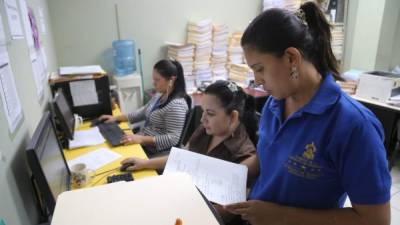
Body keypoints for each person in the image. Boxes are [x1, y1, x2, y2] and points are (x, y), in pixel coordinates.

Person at [225, 2, 391, 225]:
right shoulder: (274, 104)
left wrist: (280, 216)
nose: (257, 80)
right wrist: (230, 176)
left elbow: (376, 220)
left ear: (292, 58)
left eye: (260, 68)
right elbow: (271, 158)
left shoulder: (353, 126)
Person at [120, 80, 257, 171]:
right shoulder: (207, 129)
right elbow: (182, 156)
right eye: (203, 111)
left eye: (210, 113)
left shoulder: (245, 157)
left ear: (233, 117)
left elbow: (229, 209)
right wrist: (144, 164)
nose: (202, 119)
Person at [99, 59, 189, 155]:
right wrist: (116, 118)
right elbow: (142, 112)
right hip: (144, 141)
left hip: (155, 151)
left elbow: (172, 139)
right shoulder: (160, 94)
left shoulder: (176, 105)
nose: (153, 83)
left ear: (172, 79)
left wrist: (142, 139)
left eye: (157, 80)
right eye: (153, 79)